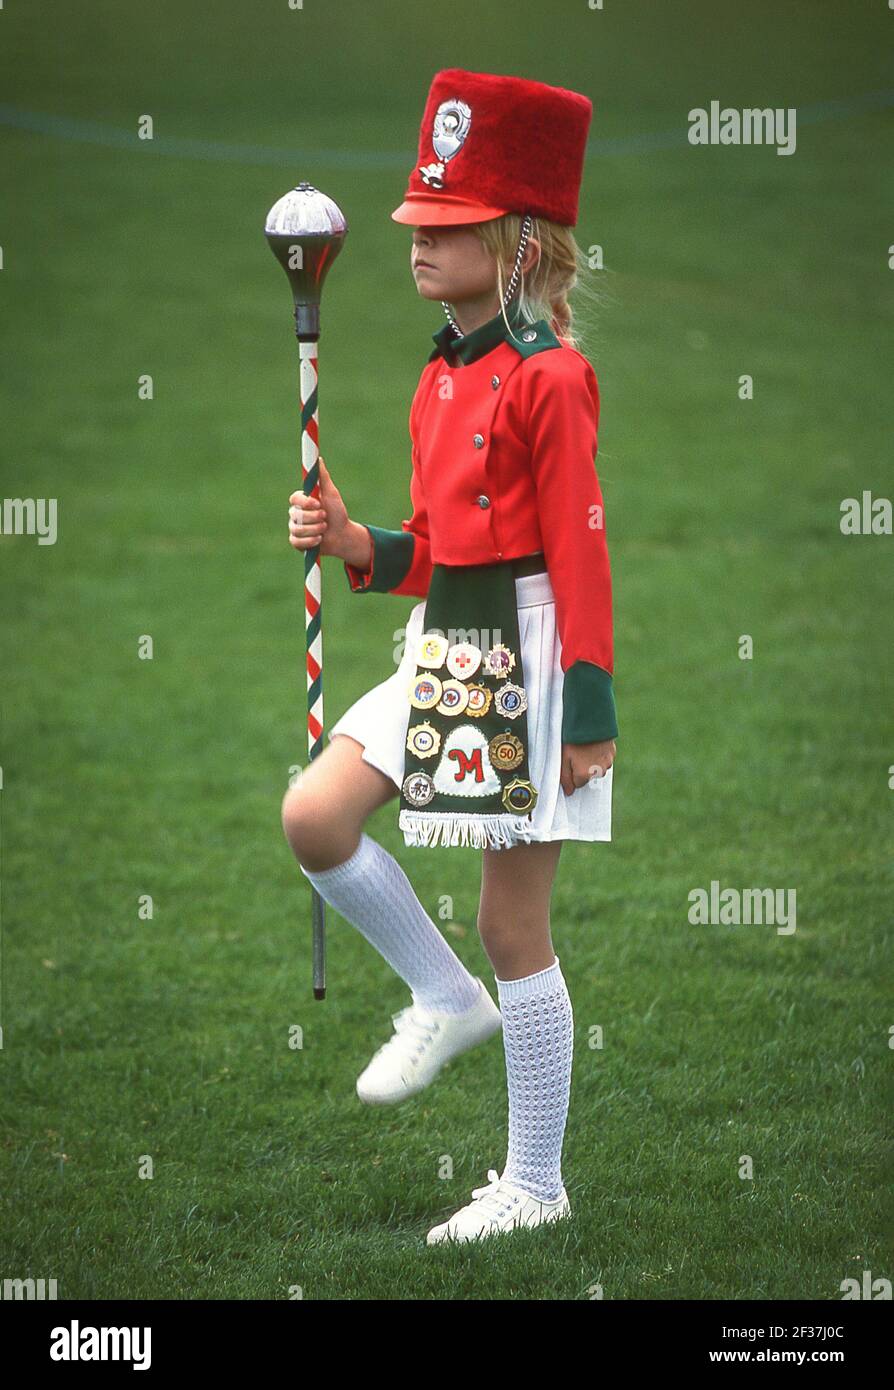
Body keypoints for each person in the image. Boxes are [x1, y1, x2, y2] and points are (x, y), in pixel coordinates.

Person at [281, 68, 618, 1245]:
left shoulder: (551, 378)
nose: (418, 243)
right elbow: (438, 550)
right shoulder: (440, 374)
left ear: (518, 243)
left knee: (512, 924)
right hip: (442, 641)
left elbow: (577, 555)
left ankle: (536, 1181)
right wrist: (355, 537)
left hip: (528, 656)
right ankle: (441, 995)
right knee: (316, 816)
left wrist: (587, 709)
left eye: (448, 227)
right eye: (417, 223)